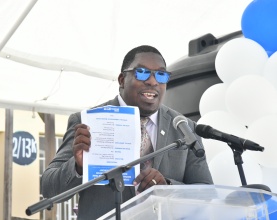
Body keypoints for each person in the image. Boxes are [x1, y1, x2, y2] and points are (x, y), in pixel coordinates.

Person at [41, 45, 213, 219]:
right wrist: (78, 166)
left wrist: (168, 186)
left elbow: (206, 193)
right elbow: (48, 188)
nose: (153, 82)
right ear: (122, 79)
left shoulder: (184, 127)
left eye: (161, 75)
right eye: (142, 73)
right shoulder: (88, 122)